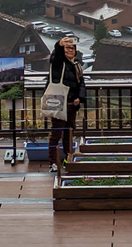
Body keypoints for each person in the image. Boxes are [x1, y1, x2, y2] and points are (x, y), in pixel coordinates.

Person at [47, 37, 86, 174]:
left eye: (72, 48)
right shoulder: (58, 63)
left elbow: (81, 83)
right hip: (57, 103)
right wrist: (59, 45)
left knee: (69, 134)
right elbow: (55, 56)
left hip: (71, 105)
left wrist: (79, 98)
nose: (70, 50)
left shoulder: (76, 65)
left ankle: (67, 160)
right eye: (67, 48)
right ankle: (52, 162)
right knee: (56, 133)